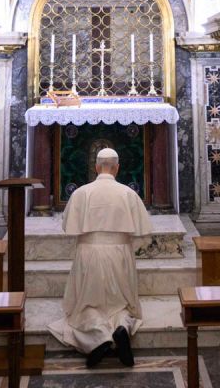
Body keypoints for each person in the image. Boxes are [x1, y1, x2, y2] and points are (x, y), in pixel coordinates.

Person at [48, 147, 152, 368]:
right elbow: (143, 231)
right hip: (120, 254)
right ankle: (121, 326)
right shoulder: (128, 193)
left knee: (87, 305)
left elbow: (68, 226)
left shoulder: (81, 193)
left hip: (89, 253)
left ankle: (99, 338)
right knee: (121, 302)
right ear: (117, 168)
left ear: (96, 167)